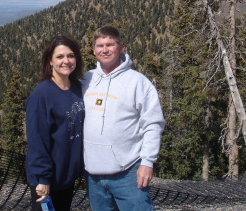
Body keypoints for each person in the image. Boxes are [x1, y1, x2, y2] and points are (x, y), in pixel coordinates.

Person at [82, 26, 165, 211]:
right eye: (100, 45)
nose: (105, 49)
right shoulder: (87, 79)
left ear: (120, 47)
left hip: (128, 172)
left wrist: (147, 162)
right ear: (94, 50)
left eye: (110, 44)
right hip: (92, 175)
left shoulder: (138, 82)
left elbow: (152, 124)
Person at [25, 35, 85, 211]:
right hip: (47, 179)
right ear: (50, 61)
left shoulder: (77, 88)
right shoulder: (42, 94)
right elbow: (37, 140)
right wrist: (42, 178)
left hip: (66, 176)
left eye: (71, 56)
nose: (66, 61)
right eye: (60, 57)